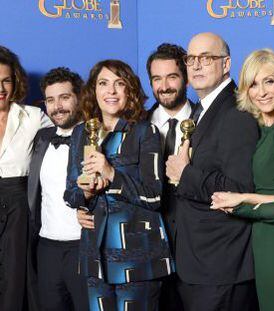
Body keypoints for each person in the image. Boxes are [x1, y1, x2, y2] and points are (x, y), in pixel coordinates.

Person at [64, 60, 173, 311]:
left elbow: (154, 198)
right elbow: (70, 192)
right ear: (94, 90)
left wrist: (111, 173)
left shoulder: (146, 133)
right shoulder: (81, 133)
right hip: (94, 256)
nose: (110, 91)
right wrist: (85, 195)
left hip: (137, 258)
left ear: (130, 91)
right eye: (103, 83)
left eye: (119, 84)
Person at [165, 32, 259, 311]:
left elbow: (240, 189)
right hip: (197, 262)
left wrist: (186, 174)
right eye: (191, 58)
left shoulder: (236, 112)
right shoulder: (202, 110)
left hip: (221, 265)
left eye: (206, 58)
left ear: (226, 64)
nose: (196, 65)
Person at [210, 48, 274, 311]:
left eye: (269, 81)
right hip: (264, 236)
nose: (262, 92)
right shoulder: (265, 126)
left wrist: (240, 207)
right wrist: (243, 197)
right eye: (253, 84)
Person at [28, 67, 89, 311]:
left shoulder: (96, 136)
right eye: (50, 100)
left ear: (79, 98)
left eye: (64, 97)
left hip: (83, 246)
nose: (57, 107)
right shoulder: (42, 138)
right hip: (46, 247)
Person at [0, 45, 52, 311]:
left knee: (15, 279)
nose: (0, 88)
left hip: (19, 203)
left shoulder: (33, 117)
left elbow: (67, 137)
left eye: (6, 80)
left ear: (15, 81)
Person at [146, 43, 193, 311]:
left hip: (195, 244)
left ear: (185, 77)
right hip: (150, 242)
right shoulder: (138, 125)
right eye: (157, 79)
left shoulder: (207, 121)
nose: (164, 86)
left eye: (172, 77)